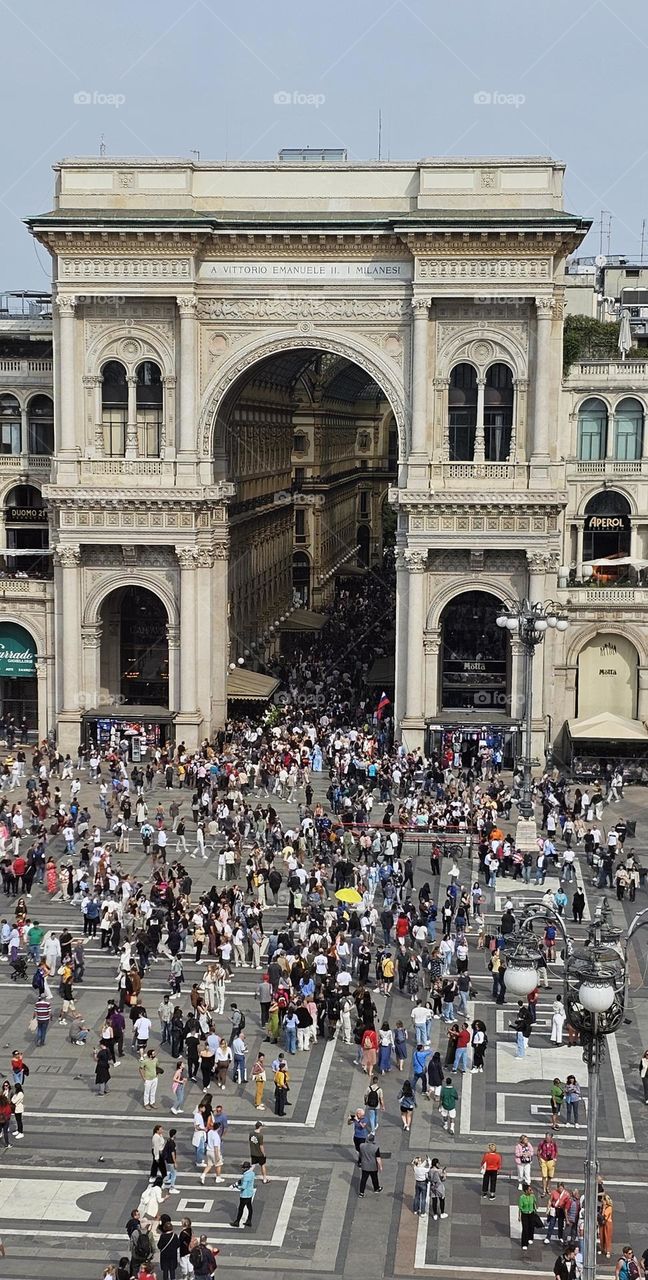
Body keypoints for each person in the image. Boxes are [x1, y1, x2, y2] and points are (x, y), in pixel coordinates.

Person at [231, 1160, 256, 1229]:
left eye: (243, 1168)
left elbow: (243, 1187)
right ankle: (249, 1220)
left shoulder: (245, 1176)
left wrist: (236, 1186)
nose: (242, 1169)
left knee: (240, 1209)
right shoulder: (252, 1173)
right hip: (250, 1193)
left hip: (245, 1195)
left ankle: (237, 1222)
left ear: (246, 1168)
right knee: (249, 1207)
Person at [518, 1183, 538, 1250]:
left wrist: (535, 1208)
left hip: (531, 1213)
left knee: (531, 1226)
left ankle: (530, 1237)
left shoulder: (532, 1196)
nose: (531, 1191)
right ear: (526, 1191)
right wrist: (519, 1216)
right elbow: (520, 1208)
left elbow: (534, 1202)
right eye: (530, 1190)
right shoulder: (522, 1198)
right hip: (525, 1214)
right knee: (525, 1228)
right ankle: (524, 1243)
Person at [598, 1192, 613, 1259]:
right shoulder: (602, 1206)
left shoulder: (609, 1208)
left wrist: (603, 1208)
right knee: (602, 1236)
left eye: (603, 1200)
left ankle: (608, 1251)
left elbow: (604, 1216)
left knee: (607, 1237)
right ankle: (602, 1249)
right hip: (602, 1222)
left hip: (607, 1223)